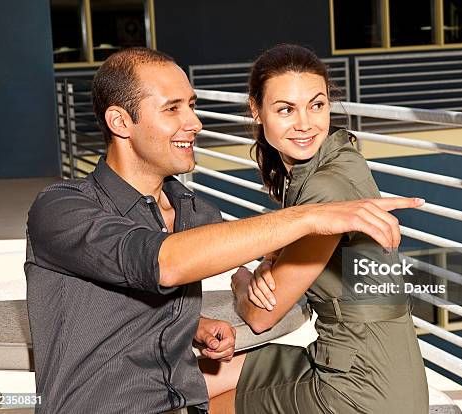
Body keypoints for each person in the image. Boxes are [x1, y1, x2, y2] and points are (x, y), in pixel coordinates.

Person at [24, 47, 421, 414]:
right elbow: (163, 261)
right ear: (120, 121)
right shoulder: (61, 208)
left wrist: (190, 324)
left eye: (192, 106)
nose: (194, 123)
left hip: (178, 395)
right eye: (173, 109)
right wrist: (308, 219)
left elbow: (212, 266)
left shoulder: (194, 211)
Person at [212, 44, 428, 413]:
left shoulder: (326, 186)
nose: (306, 124)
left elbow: (261, 315)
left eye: (317, 105)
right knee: (200, 375)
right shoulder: (339, 157)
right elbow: (300, 252)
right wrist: (274, 263)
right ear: (256, 110)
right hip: (372, 364)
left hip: (362, 389)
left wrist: (242, 281)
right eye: (286, 110)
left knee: (196, 395)